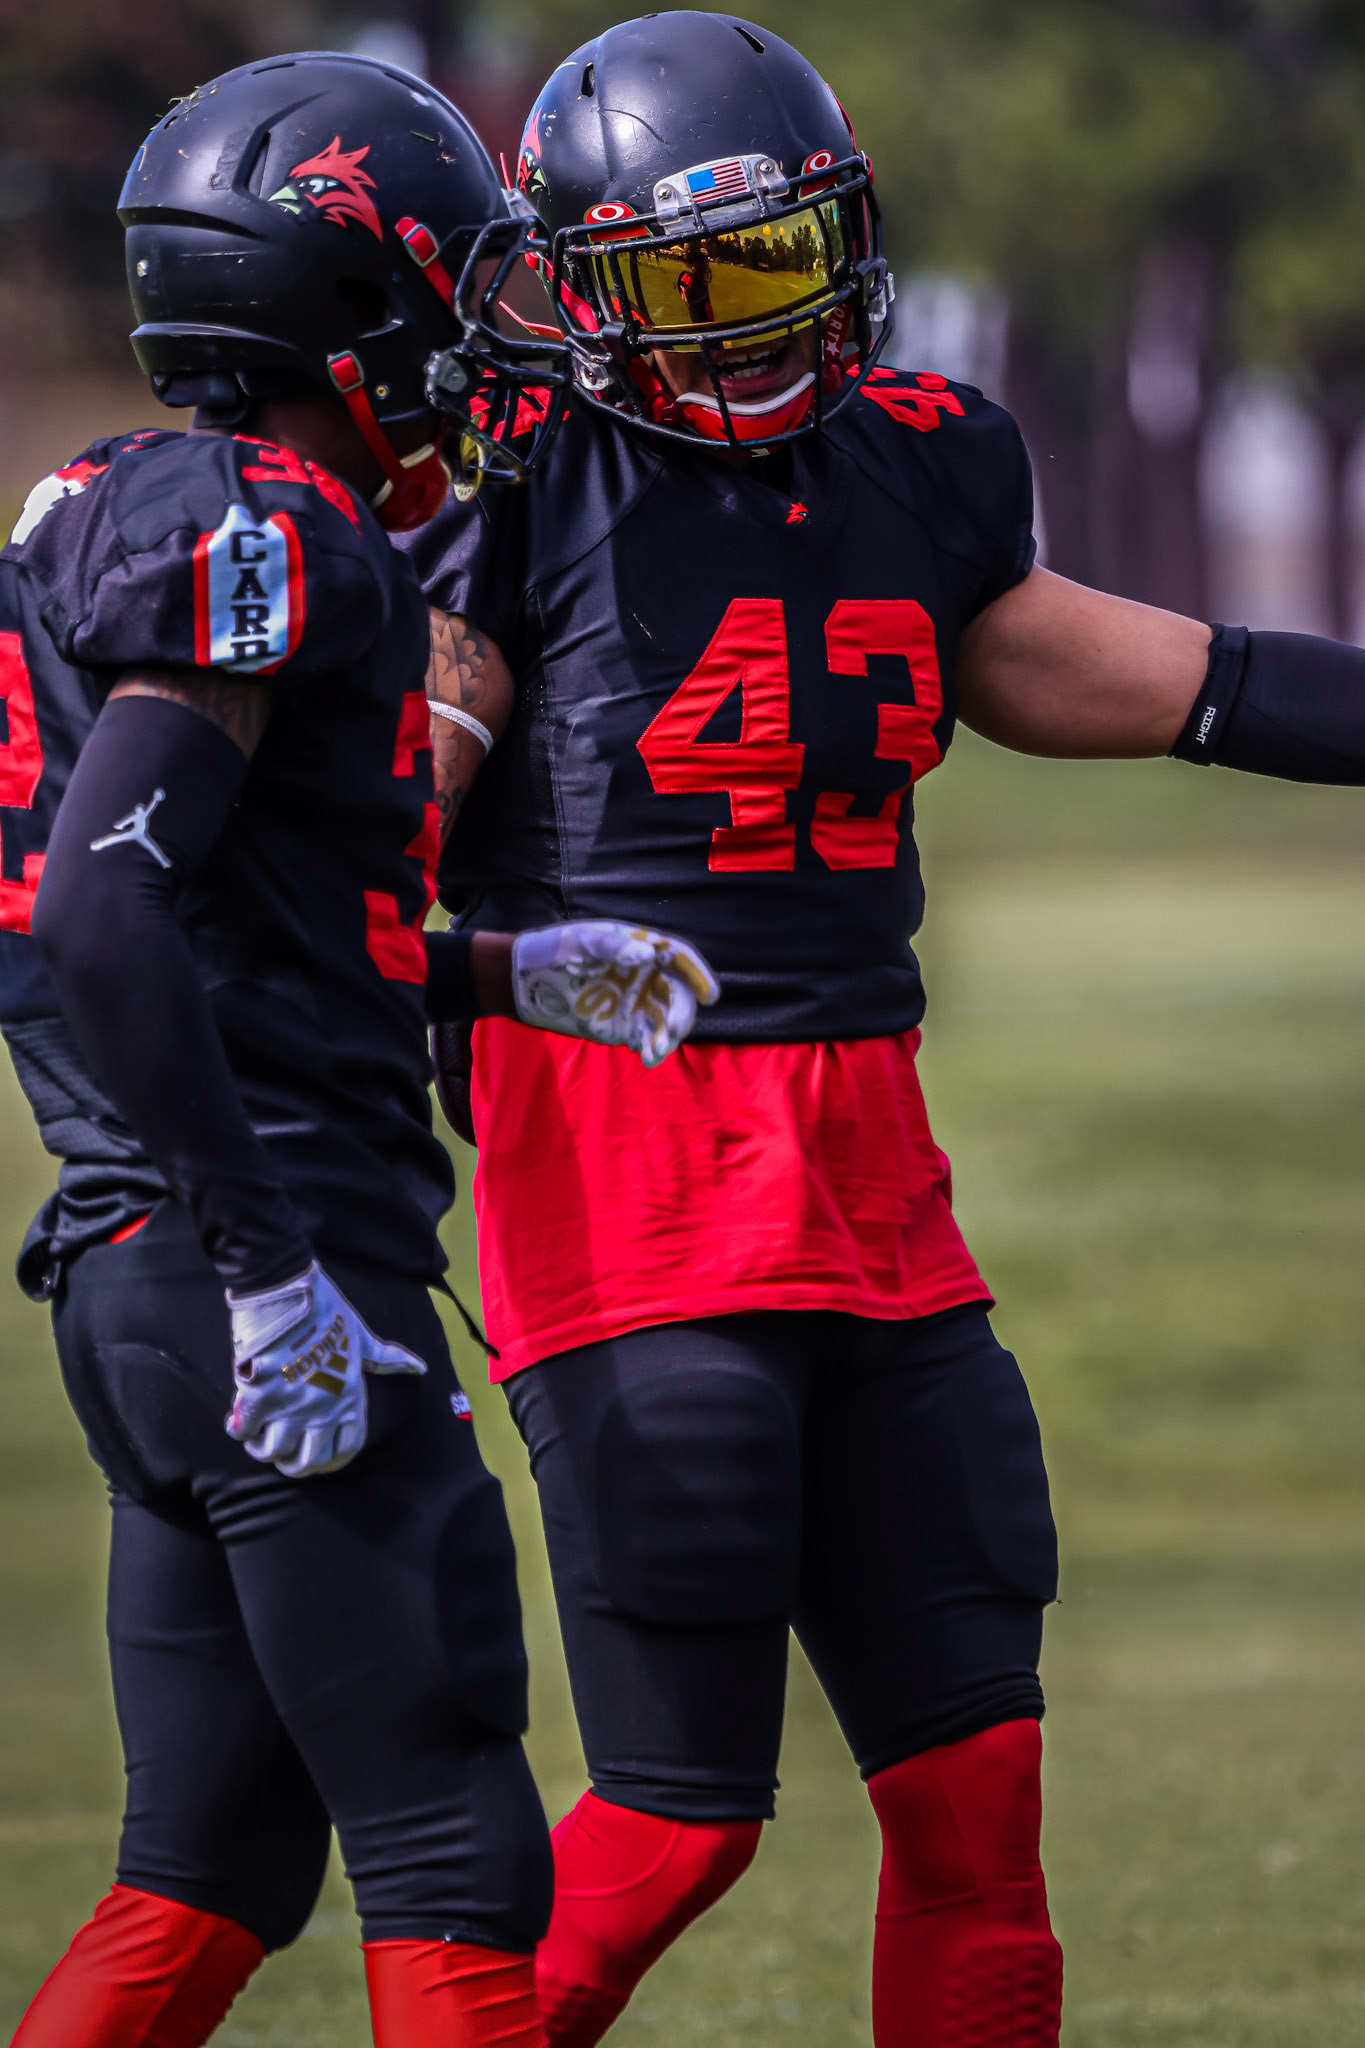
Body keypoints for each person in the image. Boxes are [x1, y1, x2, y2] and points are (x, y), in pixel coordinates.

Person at [399, 12, 1365, 2047]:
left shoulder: (918, 464)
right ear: (585, 294)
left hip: (877, 1197)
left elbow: (1181, 677)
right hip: (630, 1191)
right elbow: (354, 873)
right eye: (691, 283)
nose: (754, 325)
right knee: (675, 1823)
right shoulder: (511, 497)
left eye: (779, 260)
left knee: (976, 1807)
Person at [0, 49, 713, 2048]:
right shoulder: (272, 527)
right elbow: (102, 911)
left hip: (138, 1276)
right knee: (455, 1851)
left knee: (211, 1862)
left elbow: (222, 915)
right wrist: (267, 1268)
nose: (489, 339)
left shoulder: (116, 498)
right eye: (462, 289)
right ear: (353, 298)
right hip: (264, 1264)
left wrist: (495, 970)